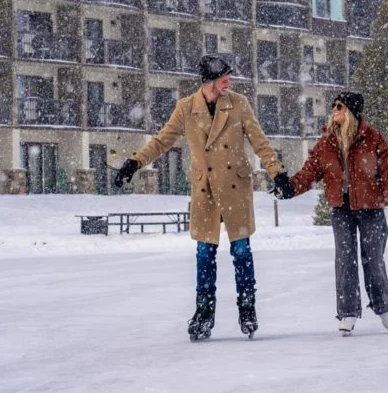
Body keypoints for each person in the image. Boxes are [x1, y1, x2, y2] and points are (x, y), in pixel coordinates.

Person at [114, 55, 294, 341]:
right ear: (209, 81)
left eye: (229, 78)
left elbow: (260, 141)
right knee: (204, 254)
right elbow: (163, 141)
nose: (229, 83)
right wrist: (134, 163)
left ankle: (247, 308)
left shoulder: (238, 104)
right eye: (224, 79)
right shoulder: (186, 108)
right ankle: (204, 312)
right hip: (205, 189)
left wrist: (278, 173)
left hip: (235, 185)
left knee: (242, 251)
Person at [272, 91, 388, 336]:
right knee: (345, 260)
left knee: (374, 260)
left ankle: (382, 308)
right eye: (333, 107)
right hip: (341, 209)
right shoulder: (327, 142)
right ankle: (347, 312)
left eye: (339, 107)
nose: (334, 111)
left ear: (351, 112)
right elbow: (309, 172)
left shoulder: (372, 138)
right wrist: (289, 188)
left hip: (371, 209)